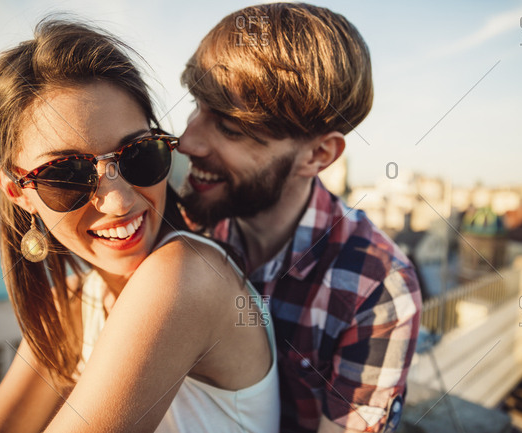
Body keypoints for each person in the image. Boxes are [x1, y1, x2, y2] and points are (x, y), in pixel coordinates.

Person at [0, 18, 279, 433]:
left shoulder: (187, 278)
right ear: (16, 191)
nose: (119, 201)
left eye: (138, 153)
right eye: (66, 175)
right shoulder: (77, 300)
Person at [178, 3, 422, 432]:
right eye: (197, 107)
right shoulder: (184, 223)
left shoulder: (376, 289)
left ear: (317, 155)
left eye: (231, 129)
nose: (187, 142)